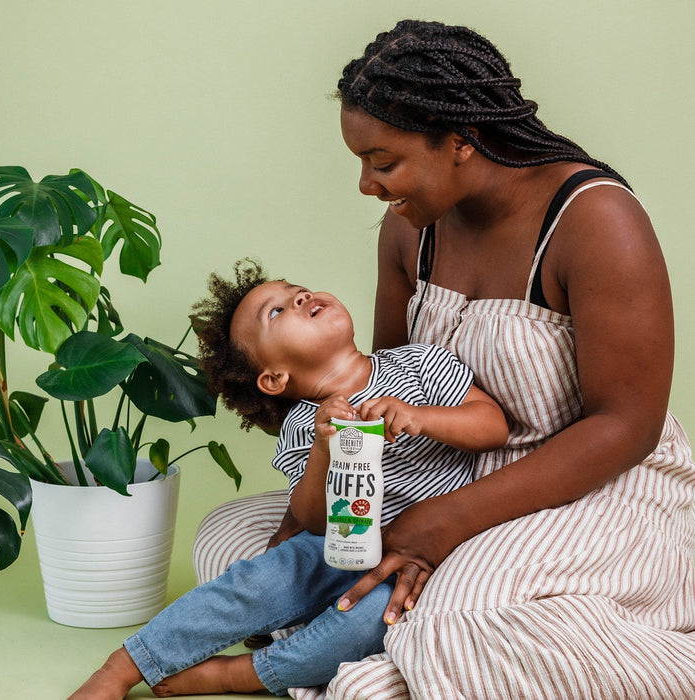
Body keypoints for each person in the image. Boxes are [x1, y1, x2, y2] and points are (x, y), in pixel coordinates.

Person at [193, 19, 695, 699]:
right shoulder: (410, 227)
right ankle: (397, 652)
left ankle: (403, 646)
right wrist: (299, 532)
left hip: (591, 486)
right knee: (232, 544)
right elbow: (388, 388)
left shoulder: (596, 221)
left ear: (462, 140)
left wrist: (443, 524)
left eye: (383, 160)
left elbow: (626, 426)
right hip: (439, 474)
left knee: (464, 618)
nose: (367, 185)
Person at [68, 259, 508, 699]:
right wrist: (322, 449)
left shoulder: (418, 363)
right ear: (275, 378)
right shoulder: (302, 426)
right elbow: (313, 520)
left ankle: (245, 673)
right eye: (276, 312)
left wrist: (421, 416)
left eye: (298, 290)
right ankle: (128, 664)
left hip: (417, 552)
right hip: (335, 545)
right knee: (252, 584)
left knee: (365, 625)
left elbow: (492, 427)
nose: (299, 297)